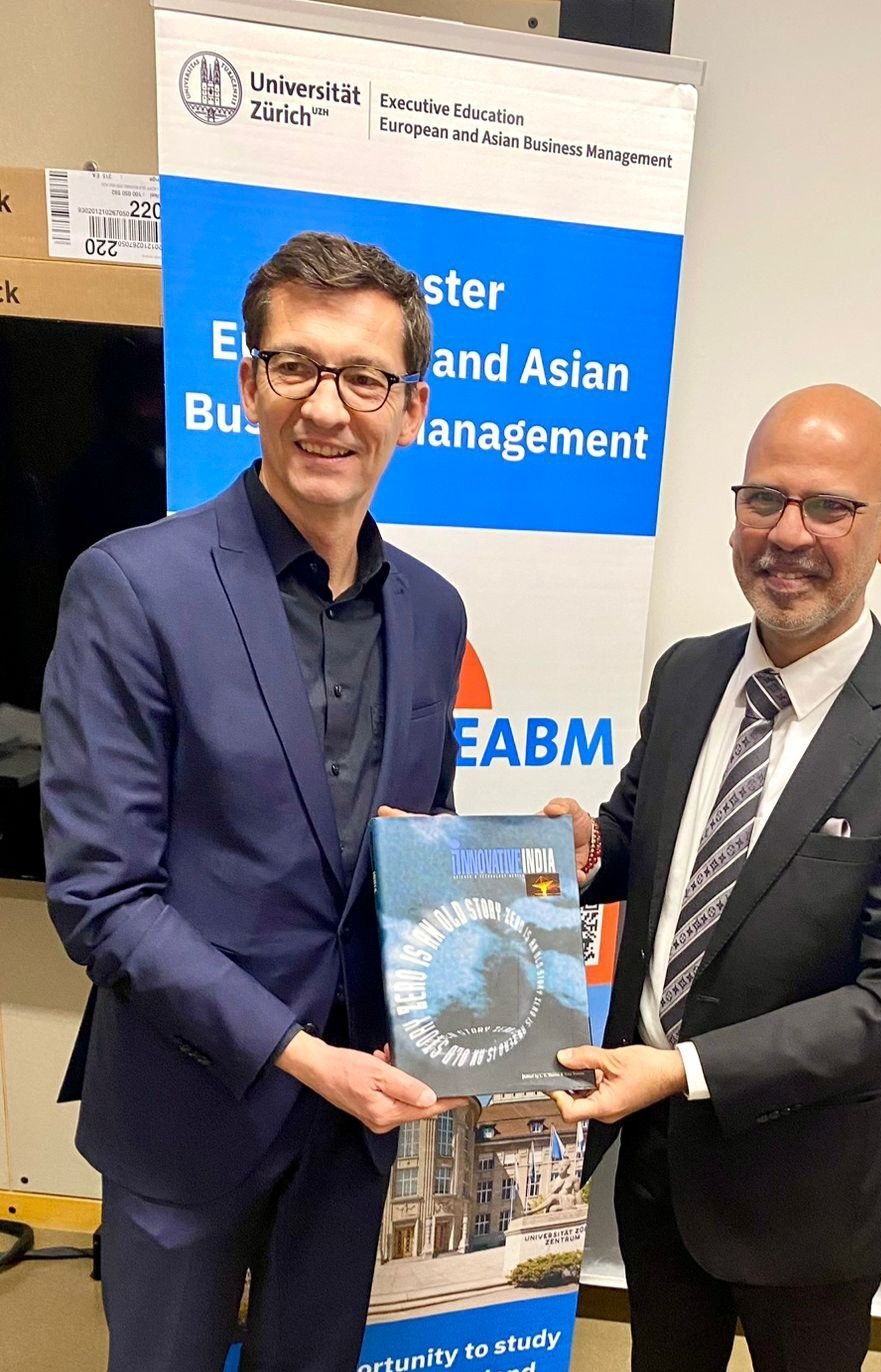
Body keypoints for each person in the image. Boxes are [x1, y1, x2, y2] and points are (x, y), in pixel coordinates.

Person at [41, 231, 468, 1372]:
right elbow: (102, 897)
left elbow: (417, 850)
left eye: (365, 377)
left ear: (412, 407)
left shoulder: (434, 612)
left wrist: (512, 869)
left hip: (357, 1116)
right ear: (248, 383)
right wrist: (297, 1053)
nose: (327, 408)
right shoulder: (134, 586)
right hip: (185, 1108)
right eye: (296, 367)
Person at [545, 384, 881, 1372]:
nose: (787, 533)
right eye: (764, 498)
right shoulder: (687, 675)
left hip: (810, 1190)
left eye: (829, 507)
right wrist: (586, 850)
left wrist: (686, 1067)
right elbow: (640, 846)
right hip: (657, 1160)